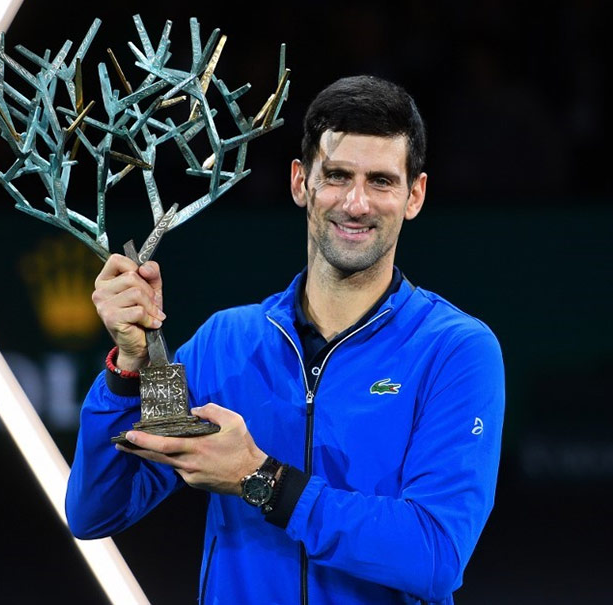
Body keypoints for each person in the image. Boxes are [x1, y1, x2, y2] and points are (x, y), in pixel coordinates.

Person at [65, 75, 505, 605]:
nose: (357, 203)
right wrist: (133, 367)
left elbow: (434, 555)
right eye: (338, 176)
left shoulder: (456, 351)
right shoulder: (224, 342)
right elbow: (97, 510)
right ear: (301, 183)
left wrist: (260, 477)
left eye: (382, 181)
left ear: (415, 195)